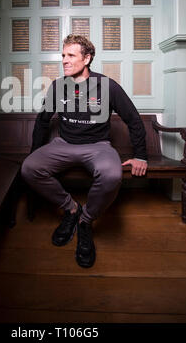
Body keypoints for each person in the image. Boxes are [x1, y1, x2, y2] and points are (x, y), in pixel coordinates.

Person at [21, 34, 147, 268]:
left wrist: (140, 154)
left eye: (71, 56)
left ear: (87, 58)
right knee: (29, 168)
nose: (64, 61)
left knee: (112, 175)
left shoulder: (107, 86)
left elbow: (133, 119)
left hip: (98, 146)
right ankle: (71, 209)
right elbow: (43, 121)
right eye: (63, 56)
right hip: (64, 144)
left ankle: (85, 220)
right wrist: (35, 152)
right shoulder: (59, 86)